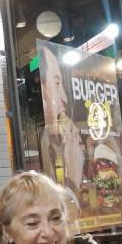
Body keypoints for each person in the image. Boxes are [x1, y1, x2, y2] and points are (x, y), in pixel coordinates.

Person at [39, 44, 85, 193]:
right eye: (57, 83)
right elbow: (66, 214)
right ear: (41, 88)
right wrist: (73, 176)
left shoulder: (54, 142)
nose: (65, 97)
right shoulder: (45, 143)